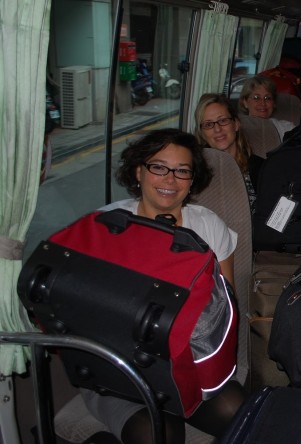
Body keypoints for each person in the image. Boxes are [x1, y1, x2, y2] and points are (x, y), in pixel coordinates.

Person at [86, 128, 246, 443]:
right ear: (138, 171)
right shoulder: (105, 226)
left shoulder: (208, 225)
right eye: (159, 167)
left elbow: (226, 307)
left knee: (241, 414)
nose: (169, 179)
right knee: (159, 433)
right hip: (120, 370)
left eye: (182, 170)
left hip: (190, 365)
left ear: (192, 179)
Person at [194, 93, 260, 210]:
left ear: (236, 124)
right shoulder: (195, 173)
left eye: (223, 120)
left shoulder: (261, 168)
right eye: (208, 124)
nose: (217, 129)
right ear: (201, 133)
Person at [239, 75, 296, 140]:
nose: (263, 103)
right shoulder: (236, 129)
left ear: (274, 103)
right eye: (256, 98)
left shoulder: (287, 128)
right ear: (245, 102)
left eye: (267, 98)